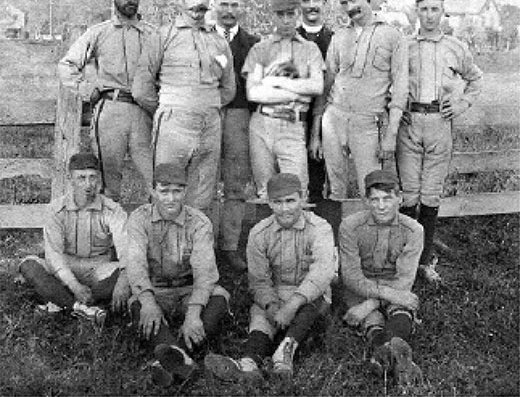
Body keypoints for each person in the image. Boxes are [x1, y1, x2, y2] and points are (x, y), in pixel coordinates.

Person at [204, 173, 335, 382]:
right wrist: (272, 306)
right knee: (260, 318)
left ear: (302, 199)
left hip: (308, 295)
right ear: (269, 204)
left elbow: (322, 273)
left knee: (316, 300)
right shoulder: (259, 232)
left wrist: (291, 306)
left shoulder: (320, 228)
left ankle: (284, 356)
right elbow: (258, 280)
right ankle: (248, 363)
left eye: (291, 201)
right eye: (278, 202)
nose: (285, 209)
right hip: (275, 293)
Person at [132, 0, 235, 219]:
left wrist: (206, 104)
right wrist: (170, 108)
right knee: (166, 188)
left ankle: (195, 253)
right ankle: (162, 254)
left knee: (203, 194)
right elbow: (141, 88)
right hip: (173, 124)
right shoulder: (163, 36)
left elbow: (229, 88)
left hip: (210, 124)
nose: (198, 2)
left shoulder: (218, 41)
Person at [397, 0, 483, 283]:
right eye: (424, 9)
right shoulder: (404, 46)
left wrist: (460, 104)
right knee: (409, 194)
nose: (429, 15)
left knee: (431, 194)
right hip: (409, 124)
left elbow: (475, 79)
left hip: (439, 123)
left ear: (443, 10)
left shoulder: (456, 47)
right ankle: (405, 260)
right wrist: (395, 107)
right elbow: (388, 82)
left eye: (435, 9)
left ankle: (424, 262)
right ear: (416, 11)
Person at [126, 163, 230, 387]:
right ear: (153, 191)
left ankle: (171, 357)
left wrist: (193, 313)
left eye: (177, 191)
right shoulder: (139, 219)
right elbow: (135, 265)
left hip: (187, 289)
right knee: (136, 303)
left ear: (185, 191)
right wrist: (148, 301)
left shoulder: (199, 222)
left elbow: (205, 274)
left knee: (219, 296)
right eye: (164, 191)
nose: (171, 198)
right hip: (156, 289)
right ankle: (184, 360)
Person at [59, 0, 156, 202]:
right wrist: (85, 90)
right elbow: (67, 65)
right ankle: (108, 237)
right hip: (111, 111)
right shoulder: (99, 33)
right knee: (108, 184)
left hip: (146, 113)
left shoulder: (154, 34)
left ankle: (154, 235)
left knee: (157, 180)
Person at [322, 0, 407, 218]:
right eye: (344, 3)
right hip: (334, 119)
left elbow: (400, 88)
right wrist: (322, 122)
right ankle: (337, 248)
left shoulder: (392, 36)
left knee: (371, 187)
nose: (350, 8)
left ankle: (369, 250)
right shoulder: (339, 37)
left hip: (368, 123)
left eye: (353, 0)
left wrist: (390, 135)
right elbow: (328, 81)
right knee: (334, 187)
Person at [19, 153, 130, 325]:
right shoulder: (56, 210)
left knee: (125, 275)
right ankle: (81, 309)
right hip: (65, 266)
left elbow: (126, 250)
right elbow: (54, 255)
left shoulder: (112, 210)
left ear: (99, 178)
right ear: (70, 179)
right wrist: (74, 285)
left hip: (99, 268)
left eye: (92, 177)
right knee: (29, 265)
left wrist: (123, 280)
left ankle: (58, 302)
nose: (88, 185)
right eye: (81, 178)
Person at [339, 170, 423, 387]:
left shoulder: (413, 230)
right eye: (374, 200)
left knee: (401, 307)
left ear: (400, 198)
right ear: (365, 201)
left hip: (396, 287)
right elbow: (351, 277)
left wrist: (371, 303)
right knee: (371, 319)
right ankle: (392, 353)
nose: (381, 206)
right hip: (361, 288)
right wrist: (371, 302)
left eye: (387, 198)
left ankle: (384, 355)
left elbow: (404, 279)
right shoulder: (350, 226)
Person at [242, 0, 325, 200]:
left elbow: (317, 86)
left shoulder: (310, 49)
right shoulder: (260, 49)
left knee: (296, 191)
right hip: (263, 122)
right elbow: (254, 92)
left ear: (298, 13)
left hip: (293, 125)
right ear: (273, 15)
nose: (286, 20)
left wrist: (278, 82)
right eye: (281, 15)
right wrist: (296, 93)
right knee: (265, 191)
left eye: (291, 14)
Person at [214, 0, 260, 272]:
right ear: (214, 7)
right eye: (223, 5)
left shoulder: (253, 44)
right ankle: (202, 246)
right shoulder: (201, 39)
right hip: (206, 114)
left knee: (235, 184)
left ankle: (230, 246)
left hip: (238, 117)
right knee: (202, 184)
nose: (229, 11)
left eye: (234, 5)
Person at [293, 0, 334, 204]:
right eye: (306, 1)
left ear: (323, 3)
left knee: (320, 183)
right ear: (299, 4)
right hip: (295, 119)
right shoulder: (289, 38)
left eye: (315, 0)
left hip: (326, 119)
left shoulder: (334, 40)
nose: (311, 6)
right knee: (292, 182)